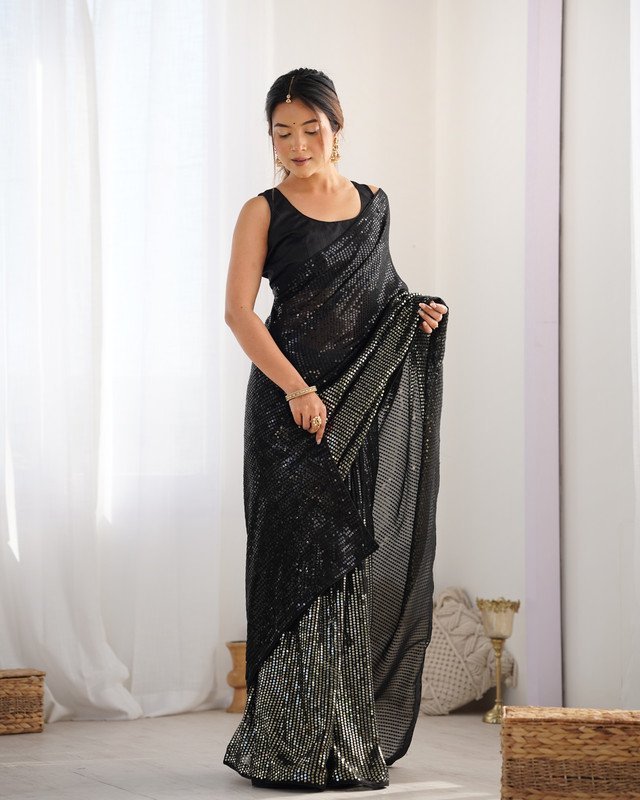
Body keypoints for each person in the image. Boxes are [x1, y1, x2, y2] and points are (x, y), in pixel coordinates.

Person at [223, 67, 449, 791]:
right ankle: (284, 742)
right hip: (287, 411)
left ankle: (340, 741)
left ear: (336, 127)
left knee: (345, 566)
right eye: (282, 132)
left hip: (354, 409)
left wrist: (418, 316)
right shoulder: (262, 210)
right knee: (291, 563)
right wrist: (296, 389)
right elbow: (239, 314)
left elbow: (383, 298)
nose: (297, 144)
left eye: (310, 129)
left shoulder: (374, 204)